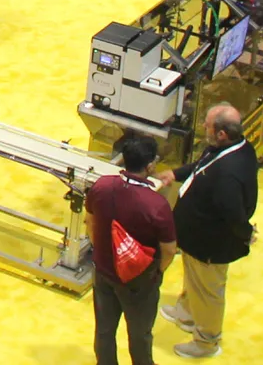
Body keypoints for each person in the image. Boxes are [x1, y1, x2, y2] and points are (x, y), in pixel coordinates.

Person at [156, 104, 257, 359]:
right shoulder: (229, 148)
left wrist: (246, 234)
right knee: (194, 280)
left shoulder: (228, 174)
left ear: (222, 133)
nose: (203, 126)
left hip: (211, 245)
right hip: (196, 238)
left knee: (209, 292)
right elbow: (201, 167)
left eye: (208, 124)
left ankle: (207, 342)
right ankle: (188, 312)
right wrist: (175, 174)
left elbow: (233, 213)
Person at [86, 132, 177, 365]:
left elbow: (90, 223)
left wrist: (103, 253)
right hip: (139, 279)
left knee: (104, 330)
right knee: (139, 335)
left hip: (104, 271)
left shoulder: (102, 186)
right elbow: (168, 249)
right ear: (150, 166)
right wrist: (158, 272)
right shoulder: (156, 205)